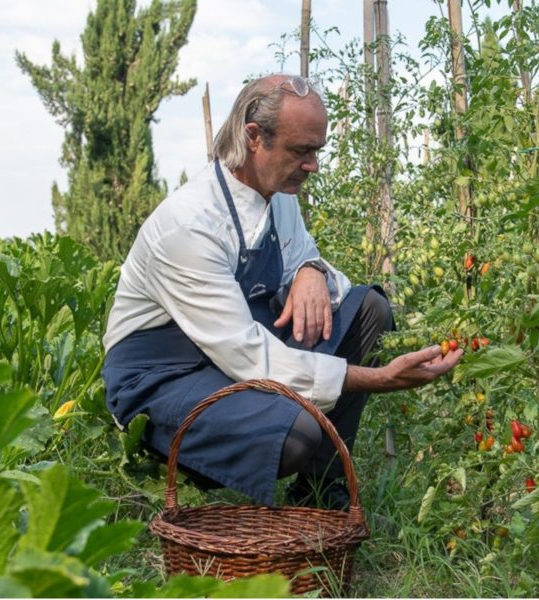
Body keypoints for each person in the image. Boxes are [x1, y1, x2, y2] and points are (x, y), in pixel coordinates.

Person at [101, 73, 462, 510]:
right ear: (254, 137)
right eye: (301, 151)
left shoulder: (279, 197)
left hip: (229, 356)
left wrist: (310, 268)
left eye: (316, 150)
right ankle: (200, 461)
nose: (313, 165)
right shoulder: (190, 224)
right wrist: (381, 379)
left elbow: (329, 280)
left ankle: (319, 497)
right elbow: (250, 356)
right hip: (164, 378)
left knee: (368, 310)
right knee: (298, 433)